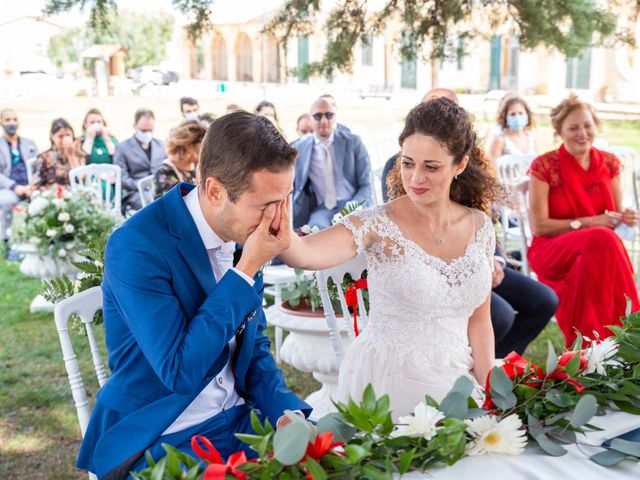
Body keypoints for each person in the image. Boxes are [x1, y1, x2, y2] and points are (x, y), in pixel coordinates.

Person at [77, 112, 311, 478]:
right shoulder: (136, 246)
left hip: (239, 422)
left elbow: (254, 348)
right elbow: (180, 371)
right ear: (216, 190)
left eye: (285, 200)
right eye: (267, 205)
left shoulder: (243, 232)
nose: (278, 220)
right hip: (161, 437)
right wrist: (245, 270)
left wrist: (285, 413)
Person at [281, 98, 503, 419]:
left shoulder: (480, 227)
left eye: (431, 167)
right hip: (390, 378)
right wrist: (275, 216)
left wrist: (490, 388)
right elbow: (305, 253)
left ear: (460, 165)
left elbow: (480, 321)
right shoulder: (377, 223)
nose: (415, 178)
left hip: (459, 372)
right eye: (408, 162)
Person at [381, 87, 556, 358]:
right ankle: (464, 362)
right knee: (500, 315)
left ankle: (499, 361)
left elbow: (485, 216)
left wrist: (494, 259)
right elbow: (401, 226)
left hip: (479, 258)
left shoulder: (471, 162)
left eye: (452, 110)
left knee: (543, 301)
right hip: (436, 266)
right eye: (435, 108)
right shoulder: (402, 165)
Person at [528, 95, 640, 347]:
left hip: (595, 252)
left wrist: (625, 217)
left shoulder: (609, 163)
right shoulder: (545, 166)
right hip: (551, 250)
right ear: (560, 132)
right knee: (602, 236)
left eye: (587, 125)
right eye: (573, 127)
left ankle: (592, 349)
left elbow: (613, 215)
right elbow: (539, 226)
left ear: (595, 126)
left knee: (588, 263)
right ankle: (632, 330)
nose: (582, 133)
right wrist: (589, 222)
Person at [291, 97, 374, 229]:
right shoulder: (300, 149)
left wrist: (354, 207)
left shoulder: (353, 142)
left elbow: (366, 184)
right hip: (321, 210)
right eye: (318, 116)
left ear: (334, 118)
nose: (324, 120)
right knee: (316, 232)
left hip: (351, 205)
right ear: (310, 119)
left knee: (351, 232)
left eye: (329, 115)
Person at [114, 109, 166, 213]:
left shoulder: (161, 145)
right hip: (135, 193)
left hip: (160, 190)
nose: (147, 133)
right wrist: (142, 185)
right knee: (151, 204)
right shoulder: (122, 147)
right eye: (143, 130)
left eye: (150, 130)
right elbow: (122, 179)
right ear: (135, 126)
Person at [0, 108, 38, 253]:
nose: (12, 123)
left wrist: (32, 186)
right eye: (8, 120)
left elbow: (38, 166)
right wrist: (15, 186)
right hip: (9, 187)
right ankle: (9, 245)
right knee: (7, 201)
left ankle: (39, 241)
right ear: (1, 122)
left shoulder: (29, 143)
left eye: (14, 120)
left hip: (30, 186)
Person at [154, 120, 206, 198]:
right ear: (189, 146)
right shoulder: (164, 173)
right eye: (204, 144)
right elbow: (173, 207)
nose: (207, 149)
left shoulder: (197, 165)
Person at [33, 118, 85, 189]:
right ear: (52, 137)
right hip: (53, 195)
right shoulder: (44, 158)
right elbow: (36, 184)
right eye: (60, 136)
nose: (65, 139)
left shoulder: (79, 155)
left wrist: (71, 156)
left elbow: (83, 182)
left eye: (68, 135)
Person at [487, 95, 536, 161]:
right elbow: (491, 168)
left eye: (521, 113)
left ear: (527, 114)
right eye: (512, 114)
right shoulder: (500, 140)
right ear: (505, 117)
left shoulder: (531, 139)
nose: (517, 117)